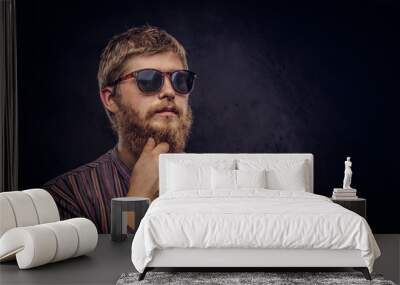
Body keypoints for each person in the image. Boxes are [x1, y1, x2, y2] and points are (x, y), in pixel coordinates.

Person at [42, 25, 196, 233]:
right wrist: (135, 201)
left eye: (180, 80)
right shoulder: (66, 198)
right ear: (111, 98)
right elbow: (114, 265)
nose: (169, 91)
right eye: (149, 80)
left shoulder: (214, 186)